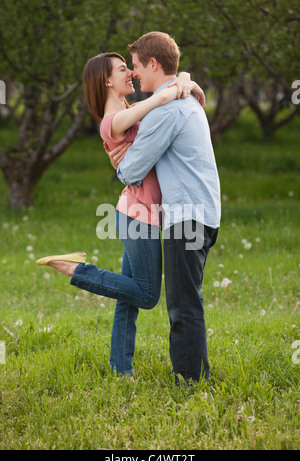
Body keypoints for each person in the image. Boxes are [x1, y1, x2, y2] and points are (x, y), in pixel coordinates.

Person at [36, 51, 205, 380]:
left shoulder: (127, 112)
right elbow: (157, 102)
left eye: (130, 67)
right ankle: (76, 269)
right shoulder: (112, 120)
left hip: (140, 212)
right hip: (138, 217)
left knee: (127, 296)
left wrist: (183, 80)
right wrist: (175, 86)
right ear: (107, 81)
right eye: (123, 69)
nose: (131, 73)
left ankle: (120, 369)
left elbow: (168, 96)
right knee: (146, 295)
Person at [106, 32, 221, 386]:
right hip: (205, 213)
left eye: (137, 66)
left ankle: (189, 382)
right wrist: (185, 80)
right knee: (189, 299)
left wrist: (119, 163)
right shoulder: (188, 100)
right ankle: (193, 375)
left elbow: (132, 170)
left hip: (185, 218)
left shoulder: (166, 109)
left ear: (154, 64)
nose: (135, 73)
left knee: (183, 305)